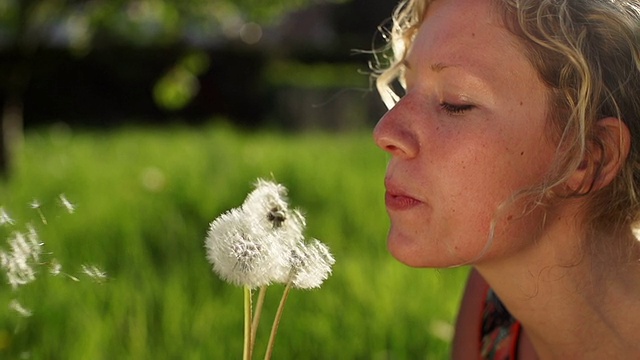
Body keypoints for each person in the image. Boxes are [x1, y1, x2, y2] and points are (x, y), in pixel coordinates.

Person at [372, 0, 640, 358]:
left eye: (456, 101)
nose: (385, 131)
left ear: (588, 156)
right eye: (407, 87)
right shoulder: (492, 300)